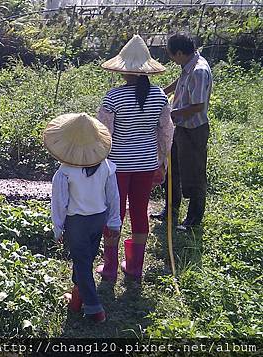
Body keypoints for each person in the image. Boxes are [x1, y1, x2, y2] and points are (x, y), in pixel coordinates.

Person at [95, 35, 174, 281]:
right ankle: (135, 267)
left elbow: (103, 134)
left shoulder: (113, 98)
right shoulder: (160, 96)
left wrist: (97, 162)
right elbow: (166, 131)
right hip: (146, 164)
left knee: (113, 213)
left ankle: (109, 268)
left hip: (117, 166)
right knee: (140, 211)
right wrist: (162, 161)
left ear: (124, 70)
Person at [44, 113, 121, 323]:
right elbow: (113, 195)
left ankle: (95, 309)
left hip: (76, 222)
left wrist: (58, 228)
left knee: (81, 263)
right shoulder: (106, 165)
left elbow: (59, 203)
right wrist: (114, 221)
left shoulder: (65, 171)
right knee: (86, 260)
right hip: (98, 218)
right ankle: (76, 300)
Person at [151, 32, 213, 231]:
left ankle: (193, 221)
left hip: (193, 130)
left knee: (194, 173)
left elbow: (197, 106)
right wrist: (160, 93)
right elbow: (180, 83)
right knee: (171, 169)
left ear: (179, 53)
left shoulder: (199, 70)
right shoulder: (187, 65)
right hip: (179, 127)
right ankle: (170, 210)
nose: (170, 58)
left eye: (170, 54)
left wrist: (169, 114)